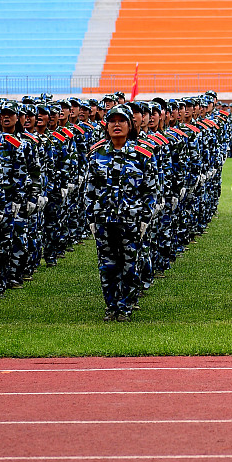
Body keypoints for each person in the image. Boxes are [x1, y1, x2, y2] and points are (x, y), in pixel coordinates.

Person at [85, 104, 158, 321]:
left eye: (121, 121)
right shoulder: (96, 154)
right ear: (106, 126)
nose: (117, 125)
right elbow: (89, 189)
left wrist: (146, 217)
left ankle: (125, 306)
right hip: (103, 219)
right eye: (112, 121)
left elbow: (151, 189)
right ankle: (111, 306)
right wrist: (90, 217)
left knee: (130, 264)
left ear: (130, 125)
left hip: (131, 220)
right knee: (107, 266)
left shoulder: (142, 155)